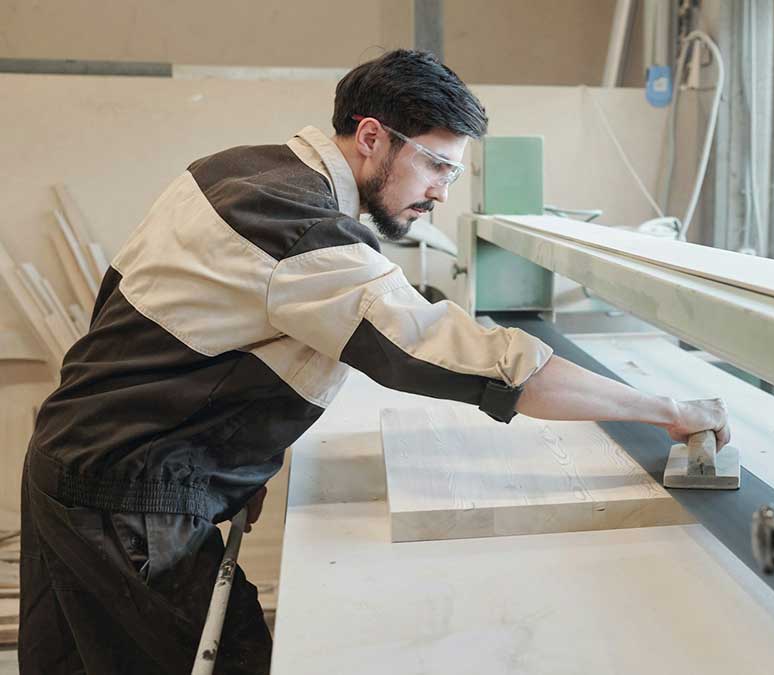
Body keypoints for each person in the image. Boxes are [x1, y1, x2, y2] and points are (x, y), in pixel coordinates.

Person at [18, 48, 730, 674]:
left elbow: (132, 312)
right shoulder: (300, 227)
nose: (442, 192)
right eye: (437, 165)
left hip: (72, 459)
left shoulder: (233, 170)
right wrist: (665, 409)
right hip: (128, 503)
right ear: (370, 137)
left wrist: (232, 459)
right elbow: (450, 351)